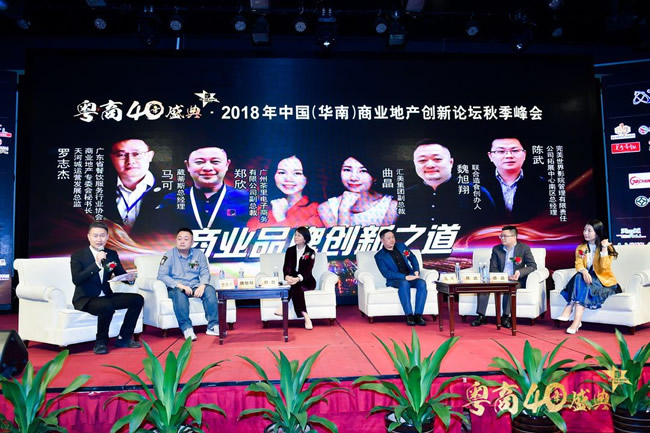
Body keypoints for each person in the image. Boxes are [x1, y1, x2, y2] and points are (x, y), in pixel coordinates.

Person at [70, 221, 143, 355]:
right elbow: (77, 279)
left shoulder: (112, 254)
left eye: (102, 236)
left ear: (107, 237)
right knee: (106, 306)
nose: (99, 239)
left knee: (137, 299)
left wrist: (130, 279)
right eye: (95, 236)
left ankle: (124, 338)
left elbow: (120, 274)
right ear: (88, 237)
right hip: (86, 298)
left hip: (107, 295)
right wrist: (97, 263)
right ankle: (100, 343)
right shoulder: (78, 255)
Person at [402, 140, 493, 230]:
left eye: (437, 159)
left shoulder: (475, 192)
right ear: (415, 163)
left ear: (451, 162)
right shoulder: (406, 196)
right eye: (422, 160)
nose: (430, 165)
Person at [157, 146, 249, 232]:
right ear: (188, 165)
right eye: (199, 162)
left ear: (227, 165)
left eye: (215, 161)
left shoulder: (246, 199)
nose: (207, 168)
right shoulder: (172, 200)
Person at [558, 219, 621, 334]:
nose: (585, 233)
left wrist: (604, 249)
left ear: (597, 232)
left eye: (589, 231)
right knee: (580, 276)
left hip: (602, 280)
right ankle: (576, 321)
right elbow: (578, 263)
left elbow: (603, 268)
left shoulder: (608, 247)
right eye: (584, 230)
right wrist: (584, 271)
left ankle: (570, 308)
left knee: (582, 282)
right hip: (587, 278)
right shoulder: (581, 248)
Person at [157, 227, 219, 341]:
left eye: (186, 239)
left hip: (195, 286)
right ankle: (187, 328)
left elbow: (205, 272)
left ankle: (213, 326)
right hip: (177, 288)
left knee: (210, 290)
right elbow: (162, 275)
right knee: (179, 293)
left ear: (192, 242)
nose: (182, 241)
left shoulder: (199, 254)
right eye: (179, 239)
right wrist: (180, 285)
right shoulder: (169, 255)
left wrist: (202, 285)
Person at [472, 225, 537, 329]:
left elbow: (532, 266)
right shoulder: (496, 249)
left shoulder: (524, 248)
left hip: (516, 279)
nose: (502, 238)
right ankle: (481, 316)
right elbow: (493, 268)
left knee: (510, 287)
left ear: (514, 237)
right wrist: (504, 277)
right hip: (499, 278)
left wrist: (519, 272)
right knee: (484, 286)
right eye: (501, 236)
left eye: (505, 236)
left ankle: (505, 317)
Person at [105, 139, 166, 235]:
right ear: (112, 158)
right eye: (121, 155)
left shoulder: (172, 190)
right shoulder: (96, 190)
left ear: (150, 156)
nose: (130, 161)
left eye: (137, 154)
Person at [318, 156, 397, 227]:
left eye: (363, 171)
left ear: (374, 176)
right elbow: (340, 238)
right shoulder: (326, 208)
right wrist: (343, 210)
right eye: (347, 170)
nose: (353, 178)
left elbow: (381, 238)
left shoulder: (391, 205)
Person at [248, 155, 323, 229]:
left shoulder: (317, 210)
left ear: (307, 177)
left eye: (297, 173)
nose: (288, 179)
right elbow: (251, 232)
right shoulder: (264, 207)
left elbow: (305, 236)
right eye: (282, 172)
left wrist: (281, 218)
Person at [482, 138, 546, 223]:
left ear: (524, 154)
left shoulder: (541, 184)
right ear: (490, 156)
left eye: (515, 150)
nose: (509, 155)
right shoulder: (478, 184)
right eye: (501, 151)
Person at [374, 229, 427, 326]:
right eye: (389, 238)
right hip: (395, 280)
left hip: (410, 276)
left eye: (393, 237)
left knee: (422, 283)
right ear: (382, 240)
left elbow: (412, 257)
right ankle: (409, 315)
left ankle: (418, 315)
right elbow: (386, 273)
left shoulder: (401, 247)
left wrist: (416, 270)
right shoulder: (379, 256)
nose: (392, 240)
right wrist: (404, 277)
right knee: (404, 283)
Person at [280, 226, 317, 330]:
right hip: (293, 280)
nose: (295, 237)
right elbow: (286, 266)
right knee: (296, 287)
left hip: (307, 281)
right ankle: (306, 317)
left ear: (305, 238)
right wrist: (287, 276)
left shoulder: (310, 252)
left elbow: (308, 270)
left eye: (298, 235)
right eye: (295, 235)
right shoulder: (290, 250)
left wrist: (297, 279)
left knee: (296, 285)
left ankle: (282, 307)